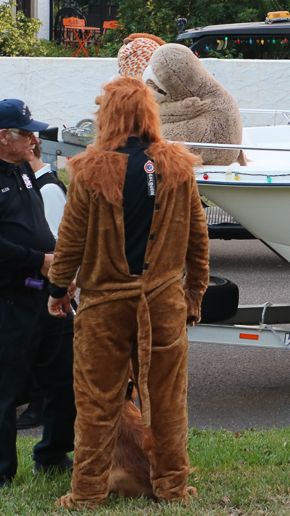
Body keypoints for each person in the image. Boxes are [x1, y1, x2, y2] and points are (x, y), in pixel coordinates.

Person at [48, 76, 209, 508]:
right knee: (169, 400)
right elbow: (198, 237)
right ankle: (172, 488)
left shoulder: (89, 169)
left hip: (103, 308)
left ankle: (86, 493)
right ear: (148, 113)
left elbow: (70, 242)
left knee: (97, 404)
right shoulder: (177, 165)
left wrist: (58, 290)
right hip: (163, 303)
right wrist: (194, 293)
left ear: (109, 115)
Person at [0, 99, 76, 487]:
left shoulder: (21, 168)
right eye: (28, 133)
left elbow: (35, 224)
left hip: (44, 293)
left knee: (63, 380)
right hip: (2, 300)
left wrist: (60, 271)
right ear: (4, 136)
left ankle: (53, 455)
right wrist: (39, 259)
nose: (35, 140)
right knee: (1, 390)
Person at [16, 144, 70, 430]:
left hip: (51, 282)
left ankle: (39, 407)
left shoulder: (47, 189)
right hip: (45, 280)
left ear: (31, 151)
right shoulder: (39, 185)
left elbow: (53, 242)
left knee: (41, 348)